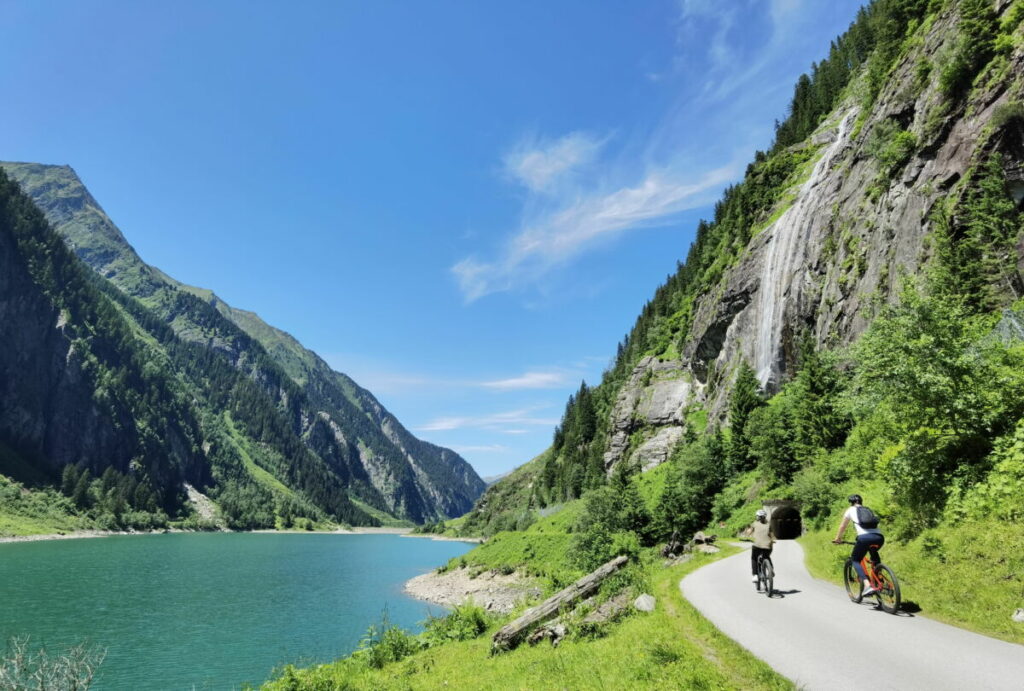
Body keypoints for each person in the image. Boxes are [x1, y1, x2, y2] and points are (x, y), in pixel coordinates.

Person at [832, 494, 883, 596]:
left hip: (864, 538)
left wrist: (838, 538)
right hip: (879, 537)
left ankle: (868, 585)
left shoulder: (850, 510)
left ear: (851, 502)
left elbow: (843, 526)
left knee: (855, 560)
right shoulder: (867, 509)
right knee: (874, 556)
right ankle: (879, 581)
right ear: (861, 501)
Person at [750, 508, 774, 586]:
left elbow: (750, 531)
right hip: (767, 545)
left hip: (757, 545)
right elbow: (771, 535)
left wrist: (748, 536)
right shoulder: (769, 525)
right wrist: (772, 540)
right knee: (767, 556)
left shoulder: (755, 523)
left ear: (758, 517)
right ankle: (771, 570)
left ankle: (755, 575)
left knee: (754, 558)